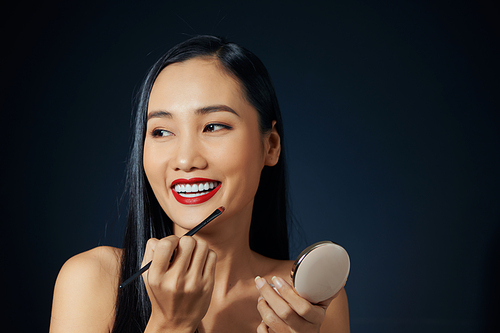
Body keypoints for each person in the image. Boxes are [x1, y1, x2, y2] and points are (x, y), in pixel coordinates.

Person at [49, 35, 350, 333]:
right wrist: (171, 324)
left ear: (270, 145)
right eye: (161, 132)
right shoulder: (92, 281)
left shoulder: (306, 299)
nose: (184, 159)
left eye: (214, 126)